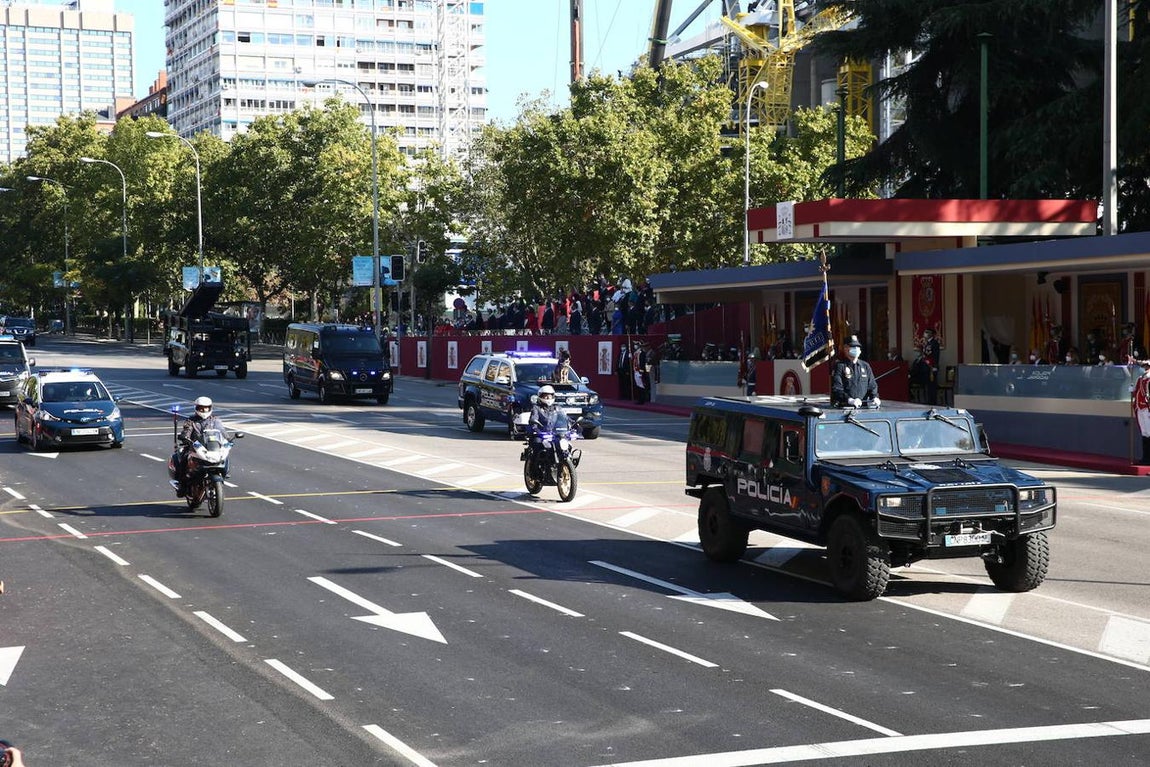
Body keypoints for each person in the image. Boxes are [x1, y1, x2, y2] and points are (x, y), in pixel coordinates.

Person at [172, 396, 227, 497]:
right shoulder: (191, 420)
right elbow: (186, 431)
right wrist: (185, 437)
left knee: (224, 455)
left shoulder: (215, 420)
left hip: (211, 447)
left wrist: (227, 439)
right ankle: (182, 484)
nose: (204, 410)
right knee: (183, 458)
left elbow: (222, 431)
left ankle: (224, 473)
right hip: (195, 446)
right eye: (201, 408)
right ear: (197, 408)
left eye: (206, 408)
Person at [831, 336, 880, 408]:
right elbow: (837, 388)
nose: (856, 349)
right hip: (845, 407)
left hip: (863, 407)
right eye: (853, 347)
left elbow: (872, 385)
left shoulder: (865, 366)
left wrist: (874, 397)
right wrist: (850, 400)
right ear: (845, 349)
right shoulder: (840, 366)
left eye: (858, 347)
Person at [528, 385, 572, 455]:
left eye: (550, 396)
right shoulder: (536, 408)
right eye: (545, 396)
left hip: (555, 434)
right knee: (537, 444)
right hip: (541, 434)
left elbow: (565, 418)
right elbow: (533, 419)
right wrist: (535, 428)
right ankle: (533, 464)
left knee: (567, 446)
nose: (548, 397)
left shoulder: (557, 408)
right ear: (541, 396)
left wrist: (573, 424)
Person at [1133, 360, 1150, 464]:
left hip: (1147, 408)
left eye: (1147, 366)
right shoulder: (1140, 378)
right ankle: (1145, 458)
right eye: (1145, 366)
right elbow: (1137, 391)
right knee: (1144, 433)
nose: (1146, 367)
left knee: (1149, 433)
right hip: (1140, 407)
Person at [922, 327, 941, 405]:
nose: (925, 333)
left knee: (932, 385)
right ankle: (929, 400)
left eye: (927, 332)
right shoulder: (927, 343)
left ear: (932, 334)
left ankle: (932, 401)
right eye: (925, 332)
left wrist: (934, 366)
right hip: (927, 367)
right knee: (928, 385)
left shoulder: (934, 343)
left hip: (932, 367)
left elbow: (935, 355)